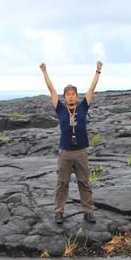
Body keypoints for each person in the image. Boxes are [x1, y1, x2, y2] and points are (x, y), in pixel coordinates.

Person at [39, 61, 103, 224]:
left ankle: (88, 212)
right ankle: (59, 212)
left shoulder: (82, 107)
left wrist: (97, 71)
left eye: (73, 93)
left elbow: (92, 88)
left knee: (84, 182)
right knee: (62, 183)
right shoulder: (60, 109)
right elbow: (51, 89)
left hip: (81, 151)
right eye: (68, 94)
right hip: (65, 152)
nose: (71, 96)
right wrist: (45, 72)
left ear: (77, 95)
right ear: (64, 97)